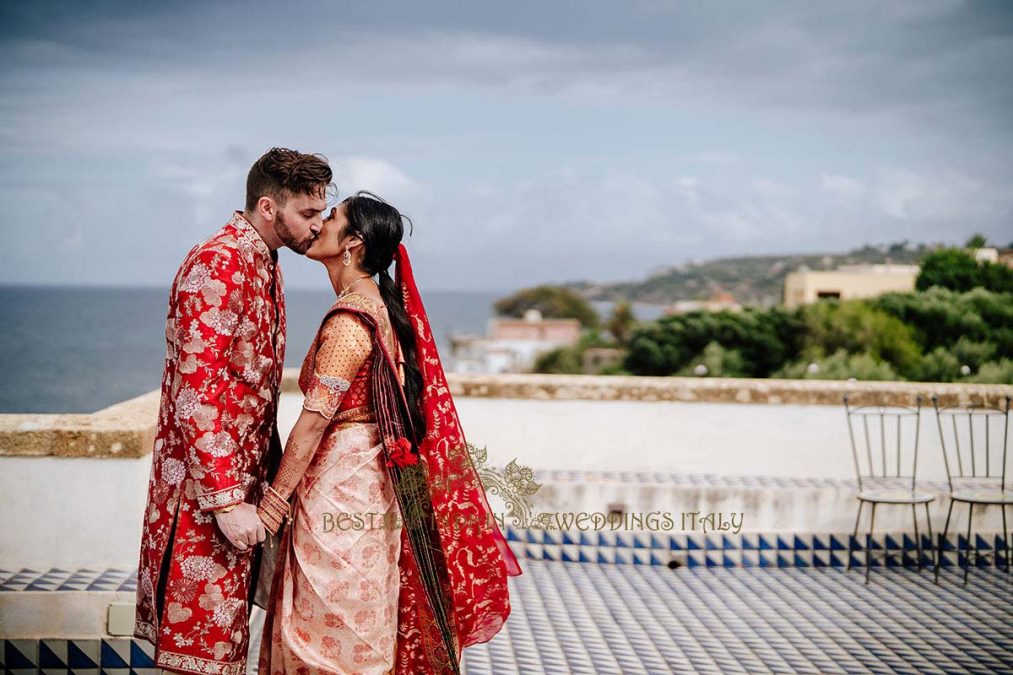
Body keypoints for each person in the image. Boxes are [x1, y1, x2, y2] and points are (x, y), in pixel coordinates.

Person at [256, 192, 522, 674]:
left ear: (352, 242)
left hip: (341, 487)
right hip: (370, 485)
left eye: (329, 218)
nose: (317, 226)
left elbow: (314, 422)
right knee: (363, 618)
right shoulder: (379, 308)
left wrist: (273, 504)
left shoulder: (349, 320)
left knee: (325, 633)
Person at [134, 147, 332, 674]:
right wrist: (225, 503)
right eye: (308, 214)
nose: (317, 227)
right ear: (269, 208)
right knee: (196, 658)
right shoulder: (218, 262)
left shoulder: (263, 262)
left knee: (223, 653)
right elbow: (197, 392)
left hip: (239, 495)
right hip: (202, 503)